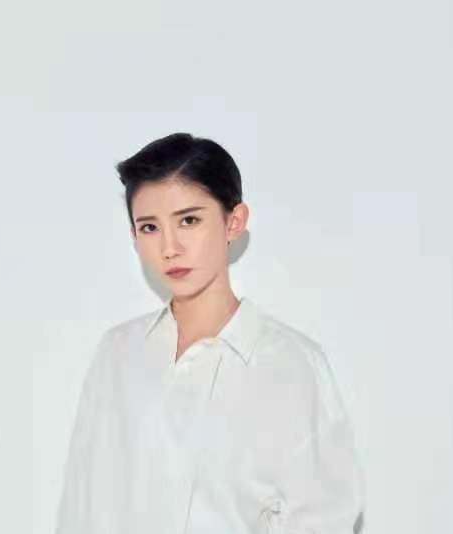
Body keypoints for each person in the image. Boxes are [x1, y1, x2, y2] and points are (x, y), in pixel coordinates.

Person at [55, 132, 365, 534]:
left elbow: (323, 519)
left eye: (189, 220)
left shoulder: (291, 364)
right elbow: (81, 507)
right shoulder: (117, 353)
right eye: (149, 227)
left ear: (233, 222)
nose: (170, 247)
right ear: (134, 237)